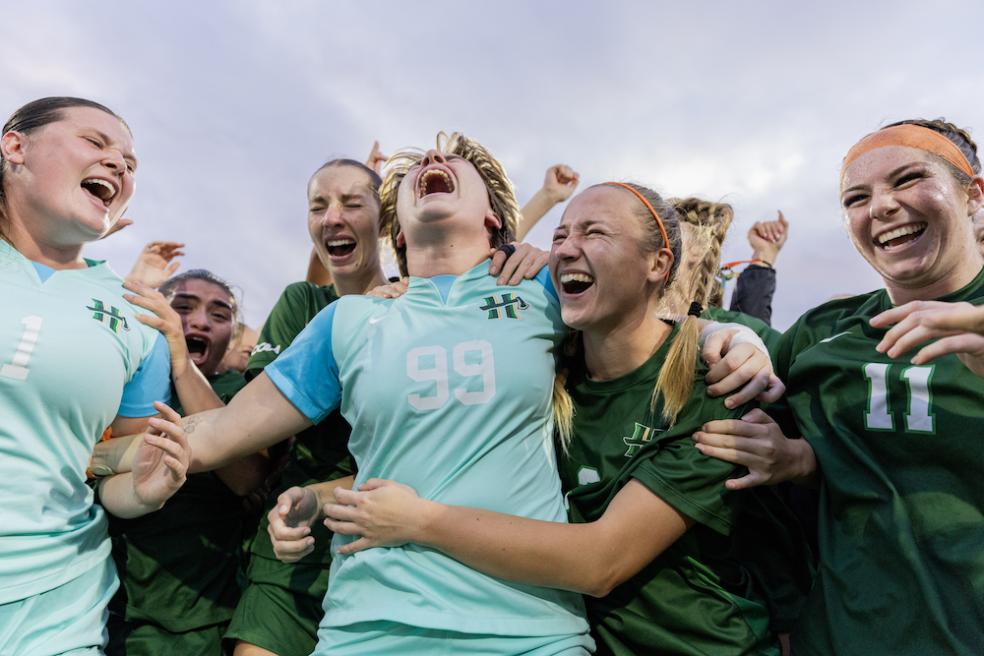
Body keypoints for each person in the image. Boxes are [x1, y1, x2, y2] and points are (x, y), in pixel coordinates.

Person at [93, 133, 777, 655]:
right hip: (372, 629)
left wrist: (736, 339)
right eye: (414, 172)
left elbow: (649, 321)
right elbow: (216, 437)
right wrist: (89, 458)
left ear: (492, 222)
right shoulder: (348, 322)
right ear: (398, 228)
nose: (430, 163)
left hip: (529, 629)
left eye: (458, 166)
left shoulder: (541, 290)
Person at [313, 181, 807, 655]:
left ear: (659, 263)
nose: (567, 249)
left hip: (707, 644)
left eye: (594, 233)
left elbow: (601, 561)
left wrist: (419, 521)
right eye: (559, 235)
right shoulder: (548, 377)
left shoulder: (712, 386)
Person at [693, 118, 984, 655]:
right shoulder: (824, 333)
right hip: (840, 637)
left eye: (908, 178)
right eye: (857, 197)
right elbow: (672, 333)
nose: (882, 206)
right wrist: (731, 333)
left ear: (973, 194)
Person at [0, 96, 187, 655]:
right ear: (15, 146)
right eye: (96, 143)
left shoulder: (137, 317)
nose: (119, 166)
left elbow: (112, 472)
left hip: (50, 609)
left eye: (130, 163)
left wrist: (145, 491)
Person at [224, 156, 388, 656]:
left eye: (352, 203)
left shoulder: (419, 304)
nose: (332, 217)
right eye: (318, 206)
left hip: (386, 537)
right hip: (292, 541)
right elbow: (252, 427)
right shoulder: (302, 303)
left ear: (386, 221)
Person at [107, 269, 266, 656]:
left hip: (195, 622)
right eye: (182, 307)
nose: (198, 322)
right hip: (104, 608)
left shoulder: (241, 392)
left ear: (232, 335)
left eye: (219, 314)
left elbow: (246, 475)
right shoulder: (118, 382)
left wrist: (182, 361)